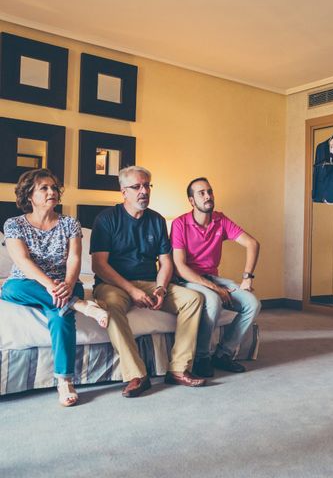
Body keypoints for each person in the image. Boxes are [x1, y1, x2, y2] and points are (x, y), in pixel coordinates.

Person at [91, 166, 206, 398]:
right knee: (111, 307)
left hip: (150, 283)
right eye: (136, 187)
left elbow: (165, 262)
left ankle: (178, 369)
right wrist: (132, 291)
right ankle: (137, 375)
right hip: (114, 284)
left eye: (146, 185)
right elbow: (99, 265)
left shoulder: (157, 220)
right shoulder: (106, 219)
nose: (144, 191)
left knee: (194, 299)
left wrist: (162, 288)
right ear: (123, 191)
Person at [1, 169, 108, 407]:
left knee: (60, 315)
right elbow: (22, 261)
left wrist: (68, 285)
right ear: (29, 195)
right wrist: (52, 287)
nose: (52, 192)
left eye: (53, 187)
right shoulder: (14, 224)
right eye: (44, 188)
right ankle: (82, 306)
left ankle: (65, 381)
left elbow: (74, 259)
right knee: (8, 289)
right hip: (28, 283)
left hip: (66, 284)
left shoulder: (70, 223)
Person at [171, 177, 260, 377]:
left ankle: (223, 354)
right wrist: (215, 289)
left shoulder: (221, 220)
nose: (208, 196)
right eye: (201, 193)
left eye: (210, 191)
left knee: (252, 303)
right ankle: (202, 357)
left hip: (212, 277)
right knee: (212, 300)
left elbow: (252, 244)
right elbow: (180, 267)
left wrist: (247, 278)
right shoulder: (179, 224)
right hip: (188, 280)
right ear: (191, 201)